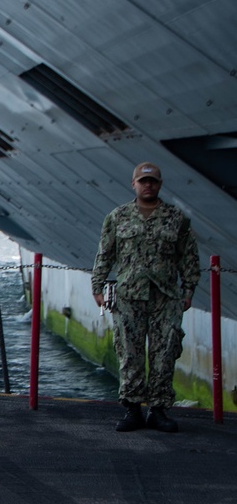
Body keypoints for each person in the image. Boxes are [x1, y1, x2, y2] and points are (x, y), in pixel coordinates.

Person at [91, 162, 200, 433]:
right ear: (134, 184)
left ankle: (158, 410)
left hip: (166, 297)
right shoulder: (118, 217)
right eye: (143, 181)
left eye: (152, 181)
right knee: (130, 353)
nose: (147, 185)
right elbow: (105, 253)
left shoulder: (176, 218)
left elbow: (188, 257)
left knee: (164, 354)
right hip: (129, 296)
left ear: (159, 185)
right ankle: (132, 409)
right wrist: (97, 285)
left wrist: (188, 291)